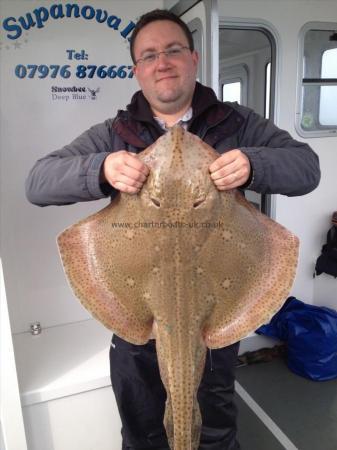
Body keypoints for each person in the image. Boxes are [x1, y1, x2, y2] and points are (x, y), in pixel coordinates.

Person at [25, 9, 320, 450]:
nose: (162, 61)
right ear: (137, 70)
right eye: (149, 55)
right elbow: (37, 182)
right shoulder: (114, 133)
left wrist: (255, 163)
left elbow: (307, 168)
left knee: (214, 429)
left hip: (211, 311)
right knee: (142, 432)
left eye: (173, 50)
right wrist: (100, 168)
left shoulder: (238, 124)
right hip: (138, 320)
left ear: (194, 58)